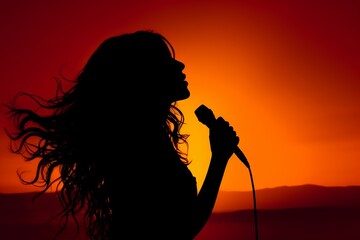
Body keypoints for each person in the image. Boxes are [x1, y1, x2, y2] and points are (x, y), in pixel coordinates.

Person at [6, 30, 240, 240]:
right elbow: (178, 229)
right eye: (165, 61)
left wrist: (219, 158)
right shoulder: (139, 146)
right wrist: (218, 159)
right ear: (143, 77)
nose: (180, 65)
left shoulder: (146, 139)